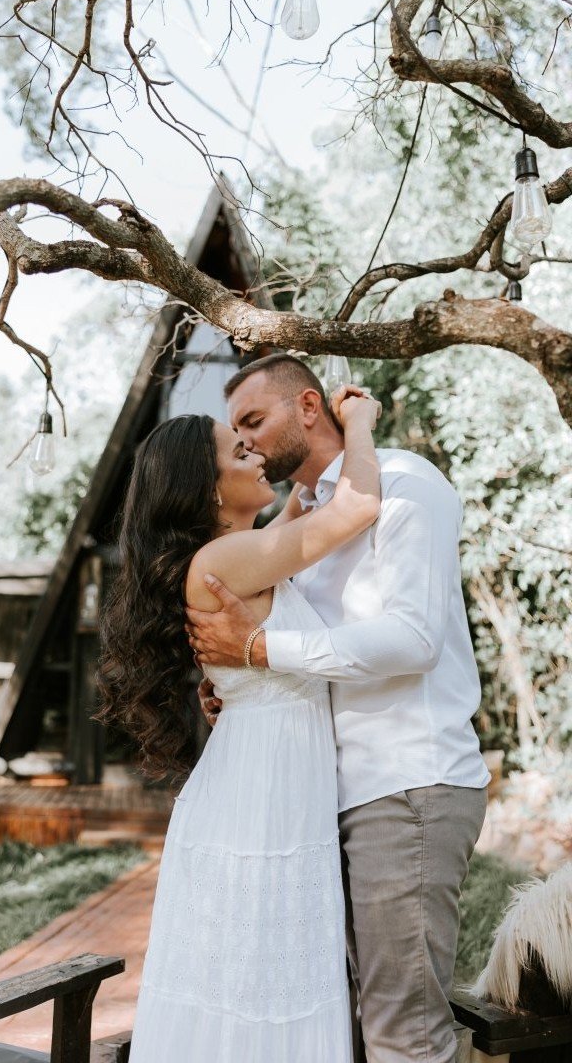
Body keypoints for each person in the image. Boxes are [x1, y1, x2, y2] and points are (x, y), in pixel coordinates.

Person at [187, 352, 491, 1063]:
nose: (247, 441)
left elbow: (413, 640)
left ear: (309, 406)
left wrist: (261, 652)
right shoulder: (299, 525)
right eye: (236, 432)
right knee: (346, 1022)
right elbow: (318, 648)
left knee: (402, 1031)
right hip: (325, 799)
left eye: (253, 420)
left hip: (405, 784)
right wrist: (236, 684)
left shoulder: (406, 483)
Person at [98, 388, 381, 1062]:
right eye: (239, 449)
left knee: (261, 967)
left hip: (265, 771)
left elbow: (300, 515)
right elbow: (356, 508)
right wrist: (362, 421)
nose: (255, 454)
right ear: (207, 487)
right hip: (261, 791)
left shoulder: (243, 551)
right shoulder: (222, 561)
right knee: (258, 969)